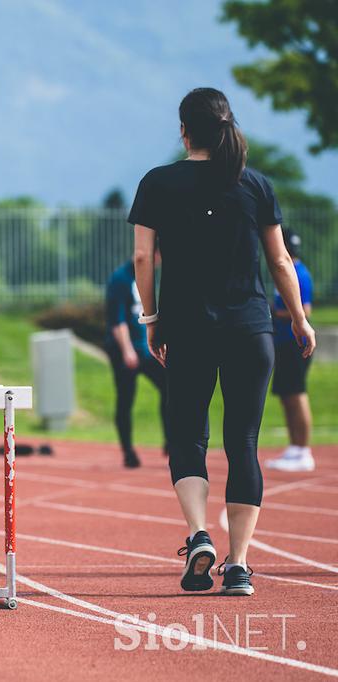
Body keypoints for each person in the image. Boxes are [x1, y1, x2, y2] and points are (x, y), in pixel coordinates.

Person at [130, 88, 315, 597]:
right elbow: (281, 263)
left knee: (189, 439)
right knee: (245, 444)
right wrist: (298, 319)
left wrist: (151, 318)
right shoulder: (253, 183)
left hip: (186, 330)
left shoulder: (158, 182)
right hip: (251, 329)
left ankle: (198, 536)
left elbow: (144, 259)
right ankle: (239, 565)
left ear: (184, 129)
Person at [104, 251, 168, 469]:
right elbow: (117, 320)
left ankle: (171, 441)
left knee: (169, 386)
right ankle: (128, 451)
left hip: (146, 349)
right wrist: (127, 350)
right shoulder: (120, 279)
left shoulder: (147, 276)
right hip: (125, 350)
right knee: (126, 399)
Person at [266, 229, 315, 472]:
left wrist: (276, 313)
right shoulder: (286, 271)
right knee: (287, 395)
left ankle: (303, 450)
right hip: (284, 342)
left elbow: (306, 310)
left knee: (297, 394)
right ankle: (295, 447)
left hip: (296, 343)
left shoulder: (298, 273)